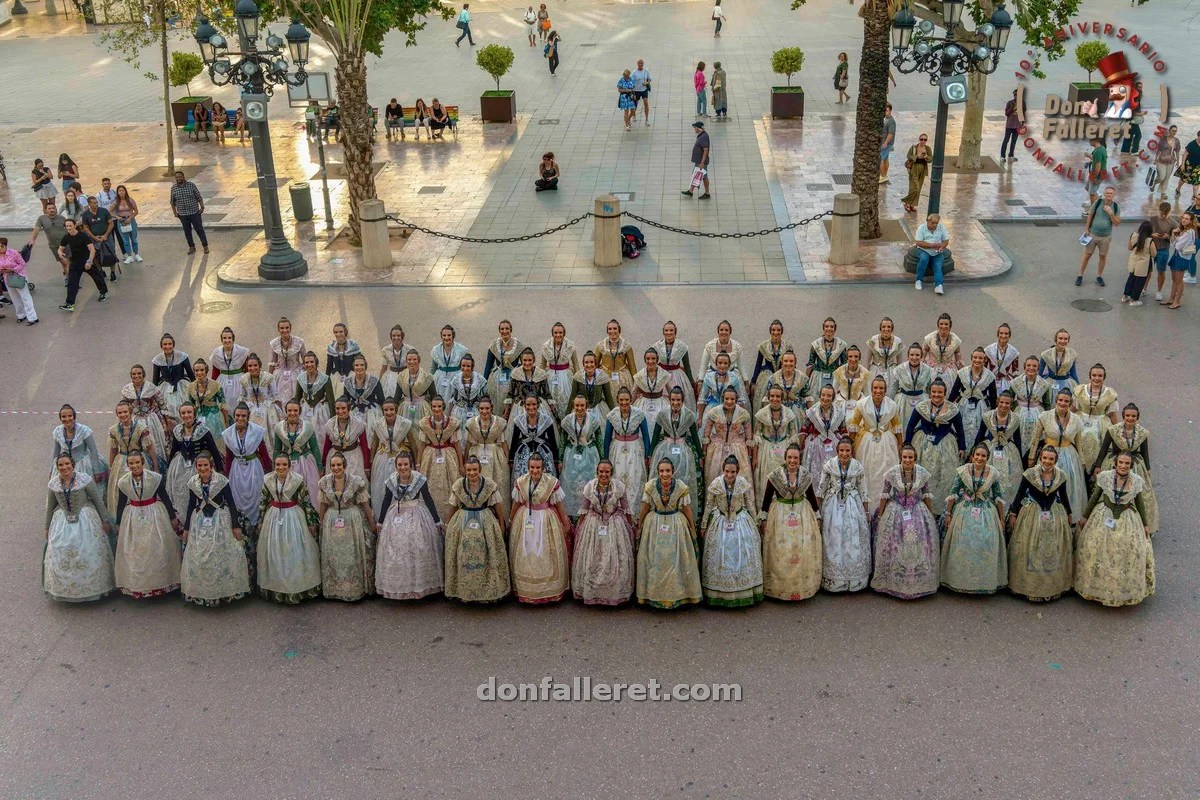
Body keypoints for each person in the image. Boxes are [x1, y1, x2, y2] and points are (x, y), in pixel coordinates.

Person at [1074, 452, 1154, 607]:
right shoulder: (1105, 477)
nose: (1123, 466)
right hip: (1104, 515)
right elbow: (1095, 496)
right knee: (1097, 549)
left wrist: (1145, 525)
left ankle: (1121, 590)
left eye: (1127, 464)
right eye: (1121, 463)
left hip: (1127, 518)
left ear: (1131, 466)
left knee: (1127, 552)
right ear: (1115, 464)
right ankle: (1097, 588)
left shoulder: (1136, 481)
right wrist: (1085, 516)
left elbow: (1140, 503)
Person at [43, 454, 117, 602]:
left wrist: (104, 520)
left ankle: (93, 589)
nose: (64, 468)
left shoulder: (84, 480)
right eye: (61, 465)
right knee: (61, 552)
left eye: (67, 464)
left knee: (89, 551)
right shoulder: (54, 484)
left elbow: (97, 500)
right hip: (62, 521)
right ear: (57, 468)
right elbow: (50, 507)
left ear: (73, 464)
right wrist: (46, 527)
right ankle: (66, 591)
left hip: (86, 520)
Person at [180, 452, 250, 606]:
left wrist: (235, 525)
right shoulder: (193, 483)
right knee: (200, 553)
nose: (203, 468)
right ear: (196, 467)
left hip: (220, 519)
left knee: (222, 552)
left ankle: (225, 589)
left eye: (206, 465)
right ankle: (203, 591)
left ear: (211, 465)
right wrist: (187, 528)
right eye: (200, 465)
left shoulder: (221, 481)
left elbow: (231, 503)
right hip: (200, 520)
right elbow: (191, 505)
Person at [870, 445, 939, 598]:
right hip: (896, 510)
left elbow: (926, 493)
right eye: (905, 458)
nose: (907, 460)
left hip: (917, 510)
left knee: (920, 544)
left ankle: (919, 582)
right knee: (894, 544)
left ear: (915, 458)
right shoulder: (892, 473)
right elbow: (885, 494)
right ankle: (892, 582)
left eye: (910, 458)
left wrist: (931, 513)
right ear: (900, 458)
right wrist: (881, 516)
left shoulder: (922, 473)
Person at [1006, 446, 1074, 602]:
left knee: (1052, 547)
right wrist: (1013, 513)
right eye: (1044, 458)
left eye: (1051, 459)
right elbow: (1020, 494)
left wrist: (1069, 513)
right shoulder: (1030, 474)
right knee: (1030, 546)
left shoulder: (1060, 476)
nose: (1047, 461)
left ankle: (1051, 586)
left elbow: (1063, 496)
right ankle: (1028, 585)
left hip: (1054, 514)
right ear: (1040, 458)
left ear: (1055, 460)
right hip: (1032, 512)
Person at [375, 452, 445, 599]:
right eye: (400, 465)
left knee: (417, 546)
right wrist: (380, 521)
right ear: (396, 466)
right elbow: (386, 501)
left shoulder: (419, 479)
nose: (403, 467)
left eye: (405, 464)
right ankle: (400, 587)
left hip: (417, 515)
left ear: (411, 465)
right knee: (397, 549)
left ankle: (419, 586)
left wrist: (437, 520)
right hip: (396, 516)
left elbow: (428, 499)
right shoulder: (391, 481)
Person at [940, 445, 1007, 594]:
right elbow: (953, 493)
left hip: (986, 512)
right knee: (963, 544)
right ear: (972, 456)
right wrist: (948, 513)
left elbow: (998, 497)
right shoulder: (962, 471)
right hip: (964, 510)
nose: (979, 458)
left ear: (987, 458)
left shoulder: (993, 473)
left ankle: (983, 582)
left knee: (985, 543)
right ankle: (961, 580)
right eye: (977, 455)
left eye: (983, 456)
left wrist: (1002, 519)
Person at [635, 458, 701, 609]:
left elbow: (686, 508)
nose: (665, 474)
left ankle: (679, 594)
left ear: (673, 472)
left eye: (668, 471)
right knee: (655, 558)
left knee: (675, 559)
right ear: (658, 472)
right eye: (662, 471)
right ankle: (653, 595)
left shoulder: (680, 487)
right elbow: (645, 506)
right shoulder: (651, 486)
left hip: (676, 524)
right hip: (655, 523)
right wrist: (640, 524)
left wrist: (692, 527)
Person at [253, 457, 320, 605]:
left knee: (293, 550)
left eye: (284, 464)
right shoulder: (268, 480)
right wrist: (260, 521)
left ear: (289, 466)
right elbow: (263, 501)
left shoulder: (297, 480)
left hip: (293, 516)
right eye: (278, 464)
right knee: (275, 551)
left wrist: (311, 522)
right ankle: (276, 589)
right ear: (274, 466)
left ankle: (297, 587)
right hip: (274, 516)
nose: (281, 467)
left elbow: (306, 502)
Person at [444, 456, 510, 603]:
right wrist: (448, 524)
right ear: (465, 470)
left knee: (488, 553)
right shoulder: (458, 485)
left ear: (479, 470)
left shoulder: (489, 485)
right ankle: (463, 590)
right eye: (469, 470)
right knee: (462, 553)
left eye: (474, 470)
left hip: (485, 518)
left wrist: (501, 522)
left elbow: (497, 504)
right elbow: (453, 505)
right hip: (463, 520)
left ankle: (487, 591)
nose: (472, 473)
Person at [700, 455, 762, 606]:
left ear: (738, 471)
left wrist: (755, 522)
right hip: (720, 521)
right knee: (719, 554)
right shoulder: (716, 484)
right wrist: (703, 525)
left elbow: (750, 503)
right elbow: (708, 505)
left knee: (741, 553)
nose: (729, 475)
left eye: (733, 472)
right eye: (727, 471)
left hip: (739, 520)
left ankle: (743, 589)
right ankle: (719, 592)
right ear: (723, 470)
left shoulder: (742, 483)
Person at [571, 461, 636, 605]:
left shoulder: (619, 487)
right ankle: (591, 591)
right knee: (592, 555)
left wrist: (631, 526)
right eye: (601, 471)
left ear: (611, 473)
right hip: (593, 524)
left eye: (607, 472)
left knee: (615, 556)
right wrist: (579, 528)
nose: (604, 474)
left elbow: (626, 508)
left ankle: (614, 592)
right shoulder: (590, 486)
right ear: (597, 472)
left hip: (614, 523)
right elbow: (584, 509)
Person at [509, 453, 570, 603]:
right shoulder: (521, 481)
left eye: (537, 468)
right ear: (528, 467)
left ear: (543, 468)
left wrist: (564, 522)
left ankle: (548, 589)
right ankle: (526, 589)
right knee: (526, 550)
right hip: (525, 518)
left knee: (546, 551)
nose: (534, 471)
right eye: (532, 467)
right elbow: (517, 502)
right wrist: (511, 519)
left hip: (545, 518)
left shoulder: (551, 482)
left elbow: (558, 504)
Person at [316, 452, 377, 602]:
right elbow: (323, 504)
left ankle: (354, 588)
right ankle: (335, 588)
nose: (336, 468)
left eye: (338, 465)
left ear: (344, 466)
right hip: (332, 521)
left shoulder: (356, 482)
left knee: (351, 555)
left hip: (352, 520)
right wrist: (321, 522)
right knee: (334, 556)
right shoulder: (324, 482)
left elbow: (365, 504)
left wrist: (372, 524)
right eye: (333, 465)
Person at [903, 378, 964, 518]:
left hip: (945, 446)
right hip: (923, 444)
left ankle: (940, 510)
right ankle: (921, 507)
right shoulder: (922, 407)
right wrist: (907, 444)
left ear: (945, 393)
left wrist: (962, 447)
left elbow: (960, 430)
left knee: (943, 476)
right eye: (934, 392)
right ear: (930, 393)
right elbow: (911, 425)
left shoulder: (952, 409)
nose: (937, 395)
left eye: (940, 393)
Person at [1093, 403, 1158, 534]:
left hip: (1134, 465)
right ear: (1123, 416)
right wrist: (1098, 465)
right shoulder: (1113, 430)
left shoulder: (1142, 433)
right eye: (1127, 415)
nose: (1130, 418)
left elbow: (1145, 452)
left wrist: (1148, 469)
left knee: (1138, 494)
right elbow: (1104, 448)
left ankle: (1136, 523)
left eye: (1133, 416)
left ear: (1137, 417)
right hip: (1116, 462)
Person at [817, 437, 871, 592]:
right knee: (833, 537)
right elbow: (821, 489)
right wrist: (817, 512)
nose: (844, 454)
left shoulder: (857, 467)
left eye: (847, 450)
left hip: (852, 505)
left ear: (851, 452)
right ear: (837, 451)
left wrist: (866, 511)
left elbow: (863, 491)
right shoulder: (829, 466)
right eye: (842, 450)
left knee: (851, 537)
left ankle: (854, 580)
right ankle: (833, 579)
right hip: (832, 505)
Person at [1030, 389, 1087, 518]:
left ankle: (1068, 516)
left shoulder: (1076, 419)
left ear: (1070, 403)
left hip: (1069, 456)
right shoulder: (1045, 416)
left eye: (1066, 401)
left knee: (1069, 486)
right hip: (1048, 454)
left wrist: (1082, 461)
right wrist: (1031, 456)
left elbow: (1079, 443)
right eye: (1060, 400)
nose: (1063, 403)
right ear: (1056, 401)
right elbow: (1035, 438)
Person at [847, 377, 902, 514]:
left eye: (881, 388)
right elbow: (854, 424)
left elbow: (897, 426)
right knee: (867, 472)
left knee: (885, 472)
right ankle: (867, 509)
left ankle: (884, 509)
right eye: (875, 388)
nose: (878, 391)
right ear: (871, 390)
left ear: (885, 390)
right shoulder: (861, 404)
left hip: (886, 443)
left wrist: (900, 445)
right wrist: (850, 444)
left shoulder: (892, 405)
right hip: (866, 443)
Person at [165, 402, 223, 516]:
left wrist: (220, 469)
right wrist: (168, 467)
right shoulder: (177, 430)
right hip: (180, 466)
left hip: (199, 465)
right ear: (180, 415)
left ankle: (198, 516)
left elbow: (214, 451)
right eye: (183, 413)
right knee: (180, 491)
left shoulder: (203, 430)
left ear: (194, 413)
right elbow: (174, 449)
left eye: (189, 412)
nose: (186, 415)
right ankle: (183, 518)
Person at [222, 404, 271, 531]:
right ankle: (242, 527)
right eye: (237, 415)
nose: (240, 418)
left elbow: (264, 453)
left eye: (243, 416)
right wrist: (226, 476)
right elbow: (228, 457)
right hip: (237, 469)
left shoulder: (257, 431)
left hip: (253, 468)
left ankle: (255, 527)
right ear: (234, 416)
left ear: (248, 417)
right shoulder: (228, 434)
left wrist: (270, 472)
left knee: (255, 494)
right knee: (238, 496)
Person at [604, 388, 651, 513]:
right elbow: (607, 438)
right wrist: (605, 458)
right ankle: (618, 510)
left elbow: (646, 436)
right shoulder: (612, 415)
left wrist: (648, 455)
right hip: (617, 451)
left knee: (634, 478)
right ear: (617, 401)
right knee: (617, 477)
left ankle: (634, 512)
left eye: (626, 400)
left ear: (631, 400)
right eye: (621, 400)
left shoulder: (639, 414)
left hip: (635, 449)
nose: (624, 403)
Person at [417, 398, 462, 522]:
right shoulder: (425, 423)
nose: (436, 409)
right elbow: (421, 444)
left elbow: (457, 445)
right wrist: (418, 463)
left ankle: (448, 519)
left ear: (443, 407)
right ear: (431, 408)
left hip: (448, 455)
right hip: (430, 456)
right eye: (434, 407)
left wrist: (461, 464)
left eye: (439, 407)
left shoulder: (452, 423)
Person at [465, 397, 511, 518]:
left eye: (487, 408)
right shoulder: (471, 423)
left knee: (497, 486)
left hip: (495, 456)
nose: (484, 411)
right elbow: (469, 443)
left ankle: (499, 519)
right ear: (478, 409)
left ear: (491, 409)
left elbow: (504, 442)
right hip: (477, 455)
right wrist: (465, 459)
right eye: (481, 409)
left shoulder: (499, 423)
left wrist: (507, 461)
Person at [560, 395, 603, 518]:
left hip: (589, 454)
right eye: (577, 405)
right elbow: (562, 441)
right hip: (572, 454)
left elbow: (599, 439)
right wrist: (560, 459)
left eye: (582, 405)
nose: (579, 408)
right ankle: (572, 515)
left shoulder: (594, 420)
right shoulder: (567, 420)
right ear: (573, 406)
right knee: (570, 483)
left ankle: (589, 511)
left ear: (586, 406)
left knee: (588, 482)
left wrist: (602, 459)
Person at [273, 401, 323, 502]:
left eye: (295, 410)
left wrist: (320, 468)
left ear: (300, 412)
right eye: (289, 410)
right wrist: (275, 467)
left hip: (306, 463)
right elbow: (277, 449)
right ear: (285, 412)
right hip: (287, 465)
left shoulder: (308, 427)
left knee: (310, 492)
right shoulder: (279, 428)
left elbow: (315, 448)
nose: (292, 413)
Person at [57, 218, 108, 312]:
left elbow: (92, 249)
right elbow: (60, 249)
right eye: (67, 226)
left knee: (97, 277)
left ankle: (103, 292)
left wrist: (89, 261)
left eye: (70, 226)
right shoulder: (66, 237)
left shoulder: (83, 236)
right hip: (75, 263)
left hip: (86, 261)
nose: (68, 228)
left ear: (75, 225)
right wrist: (60, 253)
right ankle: (70, 304)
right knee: (72, 283)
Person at [51, 404, 107, 485]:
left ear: (74, 417)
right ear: (60, 418)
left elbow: (93, 450)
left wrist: (96, 471)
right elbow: (56, 452)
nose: (67, 419)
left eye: (70, 416)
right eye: (63, 416)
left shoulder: (84, 430)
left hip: (83, 466)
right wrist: (52, 469)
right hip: (65, 466)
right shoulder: (57, 431)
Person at [1078, 185, 1120, 287]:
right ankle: (1080, 275)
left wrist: (1111, 213)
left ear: (1114, 195)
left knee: (1103, 256)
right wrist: (1087, 229)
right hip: (1093, 234)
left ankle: (1099, 276)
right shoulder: (1098, 202)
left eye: (1110, 193)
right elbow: (1090, 215)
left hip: (1105, 236)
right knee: (1087, 254)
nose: (1108, 195)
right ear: (1104, 194)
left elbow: (1117, 223)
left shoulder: (1115, 207)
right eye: (1107, 193)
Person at [749, 321, 793, 411]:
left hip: (783, 375)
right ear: (770, 331)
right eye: (773, 330)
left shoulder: (788, 346)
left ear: (782, 331)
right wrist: (753, 382)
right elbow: (758, 363)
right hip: (767, 376)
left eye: (778, 330)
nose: (776, 332)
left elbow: (792, 364)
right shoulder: (763, 345)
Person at [540, 322, 580, 413]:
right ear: (552, 333)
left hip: (566, 375)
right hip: (550, 375)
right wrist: (538, 380)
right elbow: (542, 364)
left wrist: (580, 379)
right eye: (556, 333)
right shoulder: (546, 346)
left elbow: (576, 363)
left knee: (566, 399)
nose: (558, 335)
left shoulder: (570, 345)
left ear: (564, 333)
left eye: (560, 333)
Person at [169, 171, 208, 255]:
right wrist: (175, 213)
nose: (178, 178)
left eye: (180, 177)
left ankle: (205, 246)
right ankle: (191, 247)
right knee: (187, 231)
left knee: (199, 229)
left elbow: (199, 197)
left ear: (183, 177)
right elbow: (172, 202)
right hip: (182, 215)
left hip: (194, 213)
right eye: (176, 177)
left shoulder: (191, 185)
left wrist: (202, 207)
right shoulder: (174, 188)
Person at [1164, 211, 1198, 308]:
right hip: (1177, 255)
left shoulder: (1188, 232)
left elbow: (1177, 246)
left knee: (1179, 280)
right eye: (1183, 218)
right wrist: (1174, 235)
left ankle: (1177, 301)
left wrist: (1174, 236)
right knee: (1174, 279)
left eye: (1187, 219)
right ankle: (1171, 299)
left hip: (1182, 257)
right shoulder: (1183, 230)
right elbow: (1174, 243)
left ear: (1191, 221)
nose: (1184, 220)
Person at [269, 316, 306, 402]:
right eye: (282, 328)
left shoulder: (299, 342)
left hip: (296, 373)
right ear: (278, 329)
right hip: (280, 374)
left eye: (287, 328)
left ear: (290, 328)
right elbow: (273, 362)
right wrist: (268, 379)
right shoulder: (274, 343)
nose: (284, 330)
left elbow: (305, 361)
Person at [29, 201, 69, 281]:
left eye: (53, 208)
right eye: (49, 208)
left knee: (68, 261)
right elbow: (36, 229)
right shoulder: (41, 218)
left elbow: (69, 229)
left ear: (56, 209)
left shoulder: (62, 218)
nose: (52, 210)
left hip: (66, 244)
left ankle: (68, 277)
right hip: (54, 246)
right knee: (64, 262)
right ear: (46, 210)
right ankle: (69, 278)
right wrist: (33, 240)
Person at [0, 238, 36, 325]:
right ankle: (21, 315)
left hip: (19, 277)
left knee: (25, 297)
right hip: (7, 279)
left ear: (5, 245)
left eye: (1, 246)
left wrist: (13, 270)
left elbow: (22, 264)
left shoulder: (14, 253)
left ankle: (32, 317)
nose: (0, 248)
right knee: (15, 298)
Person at [81, 195, 117, 282]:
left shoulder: (103, 211)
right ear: (89, 204)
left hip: (107, 237)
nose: (96, 204)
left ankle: (112, 273)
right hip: (94, 239)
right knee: (96, 256)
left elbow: (111, 223)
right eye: (93, 203)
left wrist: (105, 235)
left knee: (111, 254)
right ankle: (101, 271)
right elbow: (85, 228)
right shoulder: (86, 214)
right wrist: (94, 237)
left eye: (96, 202)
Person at [595, 319, 637, 391]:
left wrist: (636, 384)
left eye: (615, 328)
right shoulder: (600, 345)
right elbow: (595, 364)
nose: (612, 331)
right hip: (605, 375)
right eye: (610, 329)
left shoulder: (626, 345)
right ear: (607, 331)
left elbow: (632, 366)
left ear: (619, 330)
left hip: (622, 377)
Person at [1120, 220, 1155, 306]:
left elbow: (1129, 247)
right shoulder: (1150, 241)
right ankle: (1134, 300)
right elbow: (1154, 254)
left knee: (1131, 279)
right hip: (1143, 264)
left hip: (1133, 262)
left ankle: (1125, 296)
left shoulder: (1133, 235)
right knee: (1139, 282)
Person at [1148, 201, 1178, 302]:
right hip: (1151, 248)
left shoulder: (1172, 221)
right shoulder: (1152, 220)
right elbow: (1143, 233)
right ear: (1158, 210)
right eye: (1162, 213)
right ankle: (1144, 288)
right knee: (1147, 271)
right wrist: (1152, 235)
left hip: (1163, 249)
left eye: (1166, 214)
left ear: (1169, 212)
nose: (1164, 216)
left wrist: (1168, 236)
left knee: (1161, 271)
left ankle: (1159, 291)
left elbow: (1179, 232)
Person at [913, 212, 949, 294]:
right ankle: (919, 280)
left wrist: (942, 247)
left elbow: (946, 241)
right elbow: (918, 242)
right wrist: (932, 245)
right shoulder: (921, 228)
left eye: (936, 223)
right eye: (933, 223)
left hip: (937, 252)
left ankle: (938, 285)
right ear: (928, 221)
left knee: (938, 266)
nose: (934, 225)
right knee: (924, 259)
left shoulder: (941, 227)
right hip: (924, 250)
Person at [923, 312, 962, 385]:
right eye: (941, 324)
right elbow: (924, 350)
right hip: (931, 369)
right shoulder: (930, 338)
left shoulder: (955, 339)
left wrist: (961, 368)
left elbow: (957, 353)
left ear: (950, 326)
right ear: (938, 325)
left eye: (946, 324)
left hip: (949, 370)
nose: (943, 326)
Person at [983, 323, 1020, 393]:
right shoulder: (989, 349)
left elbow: (1015, 371)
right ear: (998, 334)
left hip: (1005, 382)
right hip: (990, 380)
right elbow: (983, 368)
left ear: (1009, 336)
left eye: (1006, 334)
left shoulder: (1014, 352)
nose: (1003, 336)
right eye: (1001, 333)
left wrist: (1016, 386)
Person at [901, 133, 931, 212]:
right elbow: (908, 155)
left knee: (919, 188)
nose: (923, 141)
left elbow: (931, 159)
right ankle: (907, 203)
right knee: (914, 188)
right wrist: (917, 156)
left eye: (925, 139)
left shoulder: (928, 149)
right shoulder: (914, 147)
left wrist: (926, 157)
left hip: (923, 169)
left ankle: (912, 205)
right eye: (921, 139)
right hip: (914, 168)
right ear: (919, 139)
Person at [681, 121, 711, 200]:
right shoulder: (701, 135)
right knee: (697, 175)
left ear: (698, 129)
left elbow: (705, 150)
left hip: (701, 162)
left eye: (695, 128)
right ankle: (691, 191)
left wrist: (702, 162)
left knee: (703, 177)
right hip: (699, 161)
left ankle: (706, 193)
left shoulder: (703, 137)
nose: (694, 129)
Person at [112, 185, 141, 265]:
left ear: (125, 191)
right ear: (117, 192)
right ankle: (129, 256)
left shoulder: (130, 200)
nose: (121, 192)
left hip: (131, 221)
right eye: (119, 191)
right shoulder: (115, 202)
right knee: (125, 240)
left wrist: (130, 218)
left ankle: (136, 254)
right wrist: (118, 217)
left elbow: (136, 211)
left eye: (123, 190)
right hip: (121, 222)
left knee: (134, 238)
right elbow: (110, 211)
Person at [1151, 125, 1179, 198]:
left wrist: (1178, 162)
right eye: (1173, 130)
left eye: (1175, 131)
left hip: (1171, 161)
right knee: (1161, 177)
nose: (1174, 132)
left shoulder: (1177, 141)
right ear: (1169, 130)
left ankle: (1163, 192)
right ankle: (1154, 183)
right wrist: (1155, 159)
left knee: (1167, 178)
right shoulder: (1163, 139)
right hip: (1161, 160)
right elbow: (1159, 150)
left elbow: (1177, 152)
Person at [1174, 129, 1200, 199]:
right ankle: (1178, 189)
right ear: (1198, 136)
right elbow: (1185, 154)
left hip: (1198, 168)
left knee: (1196, 183)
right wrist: (1182, 164)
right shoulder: (1192, 144)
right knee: (1183, 179)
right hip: (1189, 165)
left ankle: (1194, 196)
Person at [1084, 136, 1106, 210]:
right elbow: (1095, 158)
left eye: (1090, 140)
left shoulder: (1098, 151)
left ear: (1095, 141)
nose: (1089, 142)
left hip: (1097, 174)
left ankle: (1094, 210)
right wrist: (1089, 156)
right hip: (1096, 173)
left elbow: (1098, 165)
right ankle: (1098, 202)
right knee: (1088, 188)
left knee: (1092, 193)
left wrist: (1095, 176)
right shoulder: (1101, 149)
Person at [1001, 89, 1023, 164]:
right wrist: (1012, 108)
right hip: (1010, 125)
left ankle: (1011, 155)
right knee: (1006, 140)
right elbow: (1006, 113)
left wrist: (1022, 123)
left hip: (1017, 125)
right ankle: (1002, 156)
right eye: (1016, 95)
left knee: (1014, 141)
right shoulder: (1010, 103)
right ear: (1014, 95)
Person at [631, 58, 652, 126]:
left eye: (642, 63)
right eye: (639, 63)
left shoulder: (646, 71)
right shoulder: (634, 72)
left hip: (644, 90)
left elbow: (649, 79)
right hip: (636, 90)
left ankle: (646, 120)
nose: (641, 64)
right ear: (637, 64)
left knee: (646, 103)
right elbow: (631, 81)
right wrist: (632, 89)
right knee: (635, 105)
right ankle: (634, 115)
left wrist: (646, 83)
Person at [879, 103, 896, 184]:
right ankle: (884, 175)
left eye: (887, 110)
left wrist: (885, 143)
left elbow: (891, 134)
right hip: (885, 143)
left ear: (890, 111)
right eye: (884, 111)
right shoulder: (886, 119)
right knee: (885, 159)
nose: (885, 112)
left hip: (886, 144)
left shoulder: (891, 121)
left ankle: (882, 176)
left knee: (880, 159)